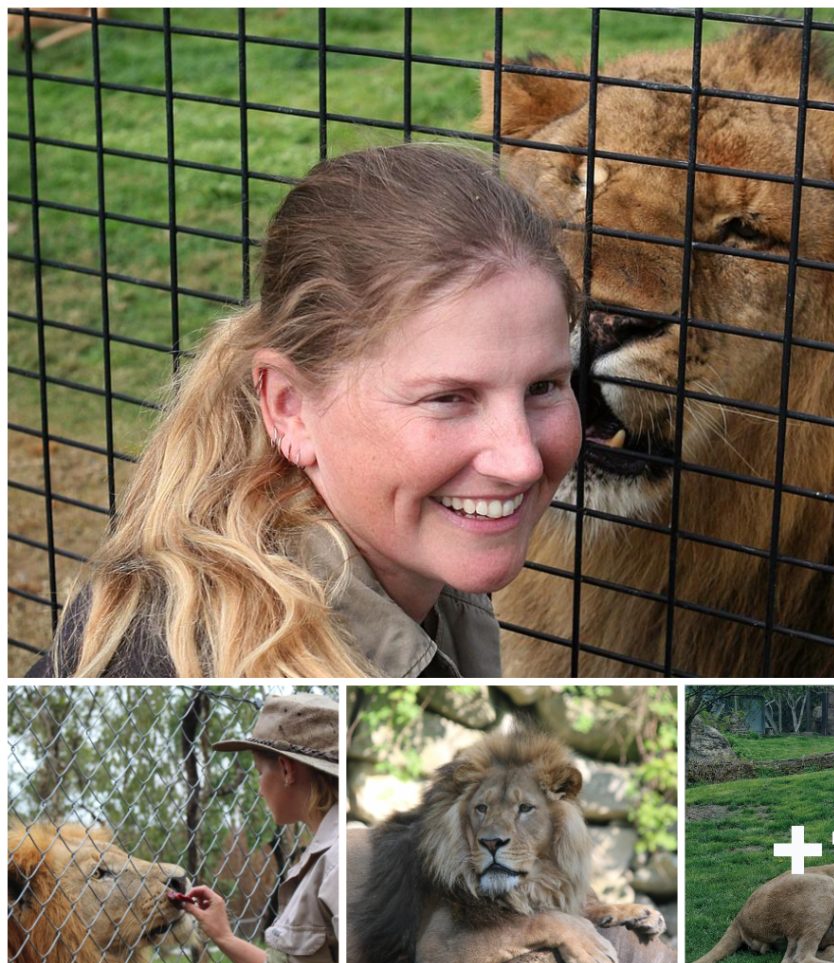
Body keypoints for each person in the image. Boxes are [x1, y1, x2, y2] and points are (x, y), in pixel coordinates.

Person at [28, 144, 581, 677]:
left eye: (544, 386)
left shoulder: (413, 545)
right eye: (448, 399)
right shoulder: (190, 660)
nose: (522, 461)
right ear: (289, 408)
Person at [183, 692, 339, 963]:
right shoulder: (320, 857)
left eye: (257, 771)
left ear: (285, 770)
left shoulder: (337, 861)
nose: (257, 786)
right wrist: (224, 936)